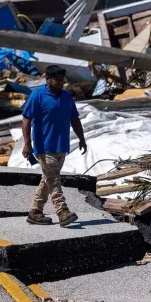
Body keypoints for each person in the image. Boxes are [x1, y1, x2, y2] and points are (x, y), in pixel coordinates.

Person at [21, 65, 87, 226]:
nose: (60, 83)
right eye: (57, 80)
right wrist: (27, 144)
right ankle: (62, 212)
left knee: (48, 180)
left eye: (62, 80)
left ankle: (35, 212)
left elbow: (74, 119)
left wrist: (82, 139)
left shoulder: (66, 97)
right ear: (47, 79)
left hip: (61, 146)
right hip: (44, 147)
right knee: (54, 180)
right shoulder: (37, 96)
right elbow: (26, 120)